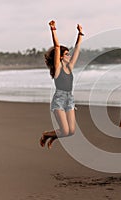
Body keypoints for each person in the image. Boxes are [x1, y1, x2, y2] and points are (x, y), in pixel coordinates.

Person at [40, 20, 84, 149]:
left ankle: (52, 136)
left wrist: (80, 34)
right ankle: (46, 134)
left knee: (71, 131)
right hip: (59, 99)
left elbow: (77, 49)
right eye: (66, 54)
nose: (69, 56)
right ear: (60, 57)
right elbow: (57, 47)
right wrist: (53, 30)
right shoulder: (57, 68)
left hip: (70, 98)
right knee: (65, 131)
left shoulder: (70, 67)